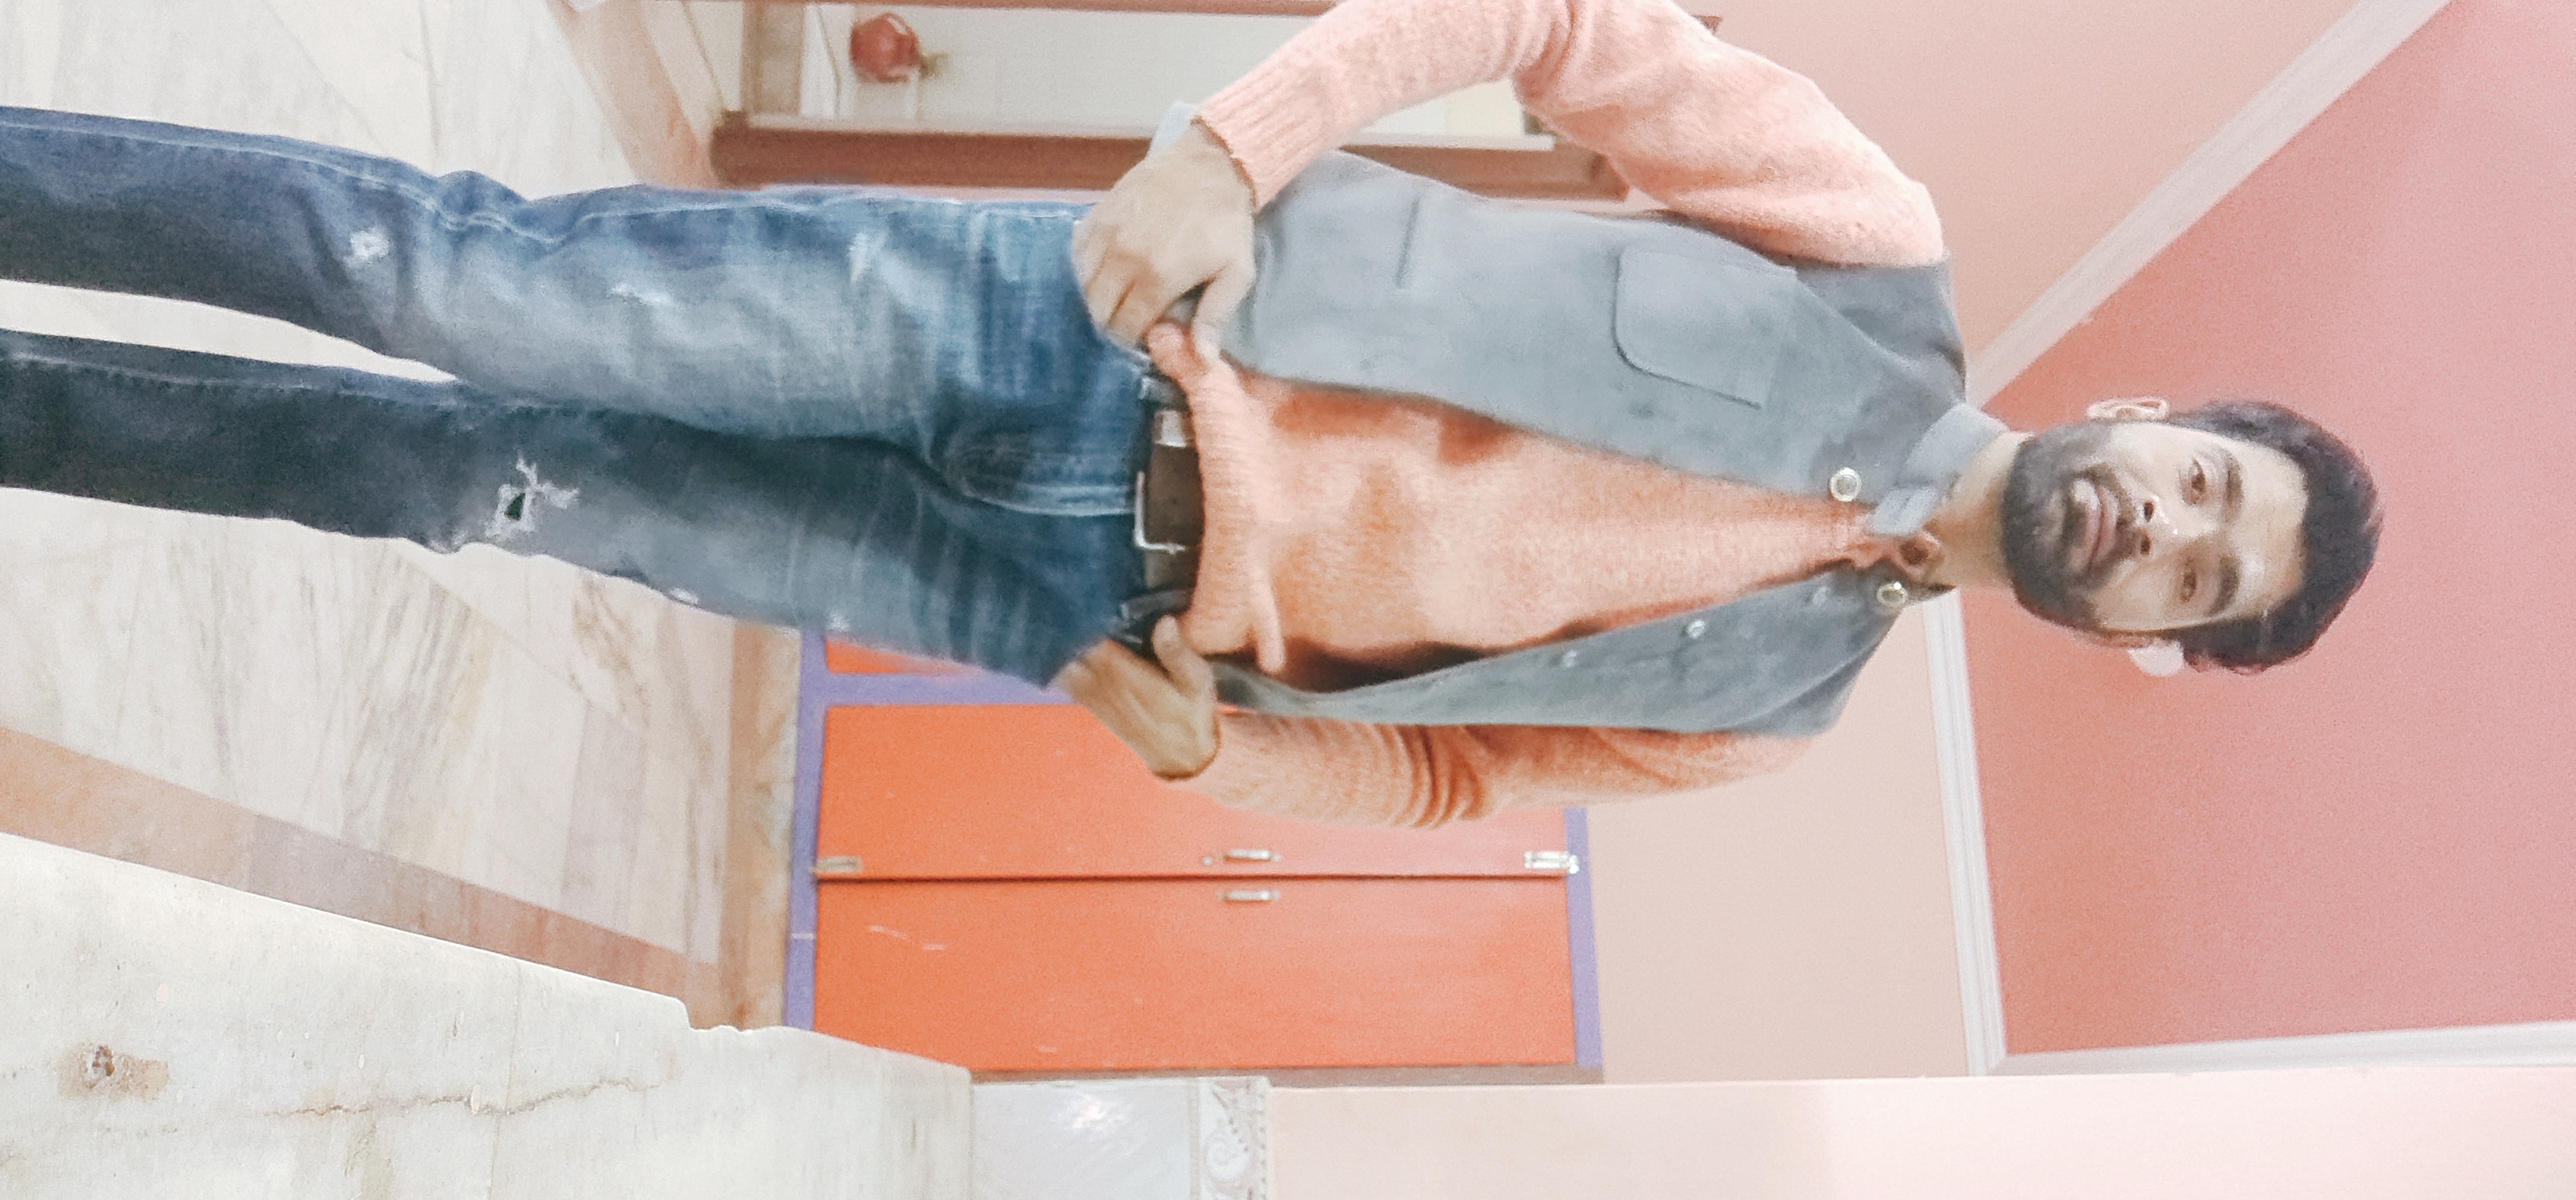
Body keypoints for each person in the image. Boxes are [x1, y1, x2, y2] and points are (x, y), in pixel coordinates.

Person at [0, 0, 2378, 829]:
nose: (2160, 522)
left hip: (1057, 596)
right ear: (2157, 411)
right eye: (2206, 479)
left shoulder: (1779, 714)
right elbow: (1555, 26)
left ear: (2149, 643)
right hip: (1071, 333)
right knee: (442, 280)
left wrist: (1219, 764)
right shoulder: (1876, 250)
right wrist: (1237, 150)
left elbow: (1457, 780)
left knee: (479, 489)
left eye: (2200, 572)